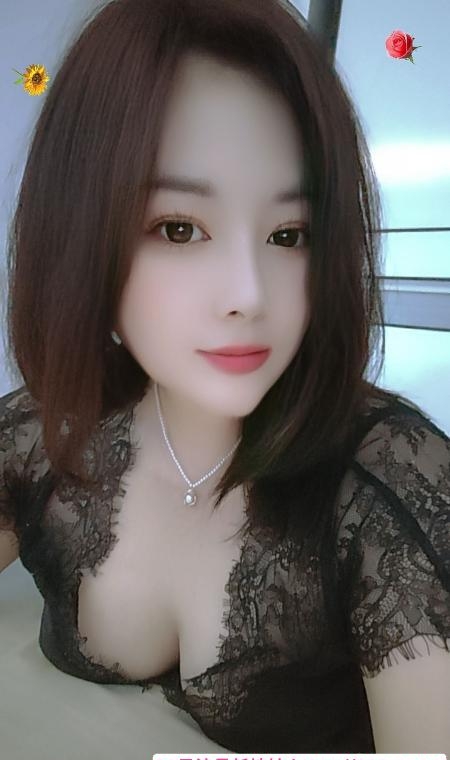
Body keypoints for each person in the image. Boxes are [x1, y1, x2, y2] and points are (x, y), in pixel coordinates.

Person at [1, 0, 449, 753]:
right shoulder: (50, 429)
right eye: (180, 228)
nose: (248, 294)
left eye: (289, 235)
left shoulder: (390, 485)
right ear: (83, 234)